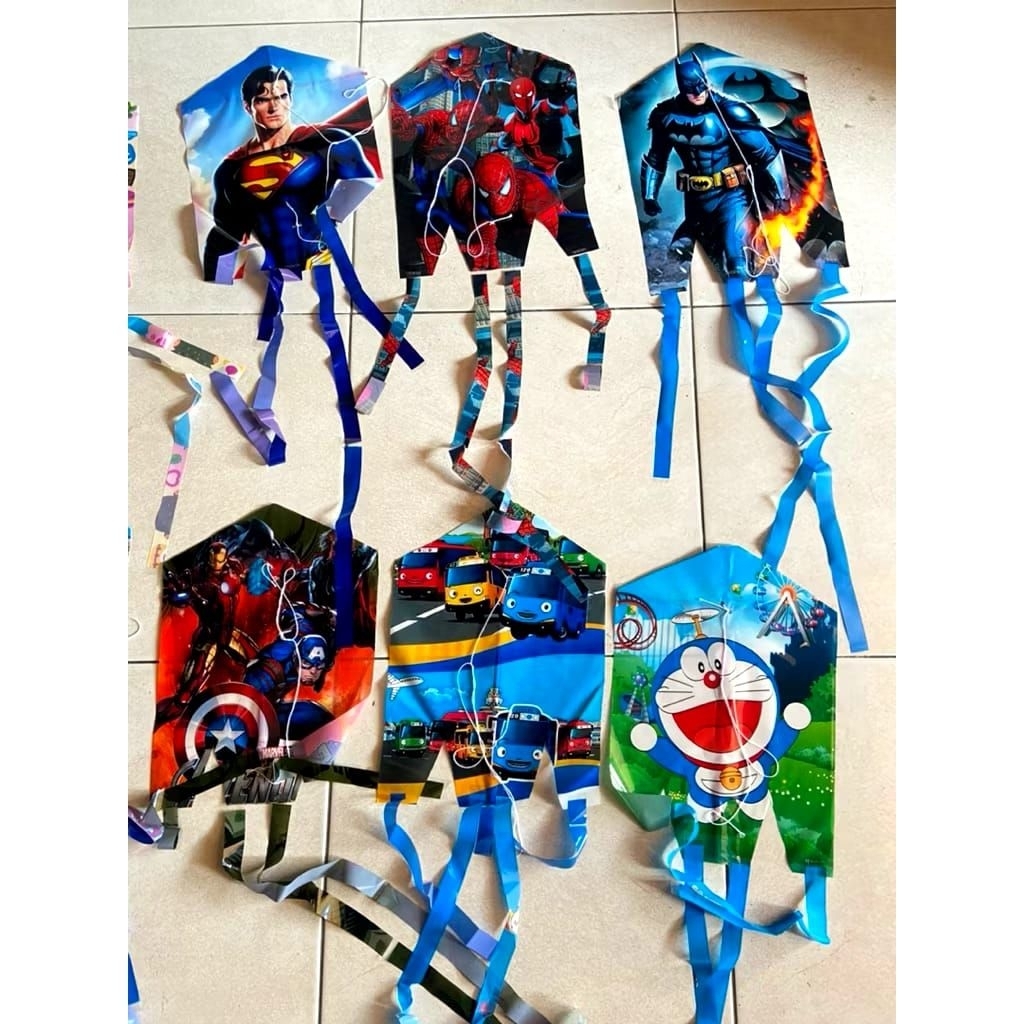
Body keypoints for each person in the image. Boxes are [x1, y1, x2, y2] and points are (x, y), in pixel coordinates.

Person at [202, 64, 377, 281]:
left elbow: (365, 185)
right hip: (276, 274)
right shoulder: (230, 170)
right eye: (263, 100)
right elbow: (225, 236)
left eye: (281, 96)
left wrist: (331, 219)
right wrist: (217, 280)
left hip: (330, 261)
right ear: (248, 107)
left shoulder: (328, 141)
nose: (274, 107)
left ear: (290, 100)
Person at [640, 54, 791, 278]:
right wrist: (649, 196)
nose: (698, 93)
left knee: (736, 261)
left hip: (731, 197)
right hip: (695, 201)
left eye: (701, 87)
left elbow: (767, 153)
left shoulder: (729, 112)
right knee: (677, 255)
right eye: (691, 89)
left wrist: (782, 194)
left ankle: (754, 289)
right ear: (682, 87)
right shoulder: (666, 116)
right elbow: (656, 157)